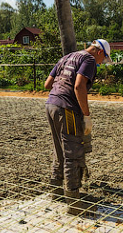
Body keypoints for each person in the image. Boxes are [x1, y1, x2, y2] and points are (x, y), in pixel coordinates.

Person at [44, 39, 111, 215]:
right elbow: (79, 86)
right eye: (103, 59)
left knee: (59, 150)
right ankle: (74, 203)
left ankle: (56, 191)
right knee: (72, 153)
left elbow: (47, 84)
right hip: (67, 109)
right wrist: (86, 115)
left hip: (51, 105)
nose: (101, 63)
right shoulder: (89, 60)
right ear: (99, 52)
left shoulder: (66, 57)